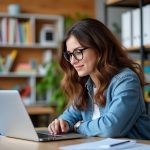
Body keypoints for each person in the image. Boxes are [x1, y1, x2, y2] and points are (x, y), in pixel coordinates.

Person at [48, 18, 150, 139]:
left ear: (100, 47)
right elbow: (67, 117)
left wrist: (77, 126)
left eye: (78, 51)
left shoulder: (126, 80)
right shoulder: (86, 84)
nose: (73, 61)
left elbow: (110, 128)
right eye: (70, 54)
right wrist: (60, 124)